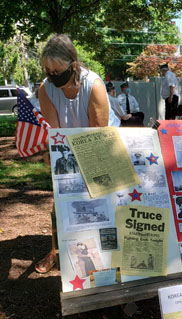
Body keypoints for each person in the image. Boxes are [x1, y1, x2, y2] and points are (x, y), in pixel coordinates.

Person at [35, 33, 119, 274]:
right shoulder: (46, 88)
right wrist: (57, 156)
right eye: (48, 70)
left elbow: (98, 133)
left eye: (56, 70)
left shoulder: (94, 85)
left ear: (73, 64)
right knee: (61, 200)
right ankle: (56, 250)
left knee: (100, 200)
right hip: (68, 143)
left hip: (99, 144)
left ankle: (106, 253)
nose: (52, 76)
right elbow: (55, 132)